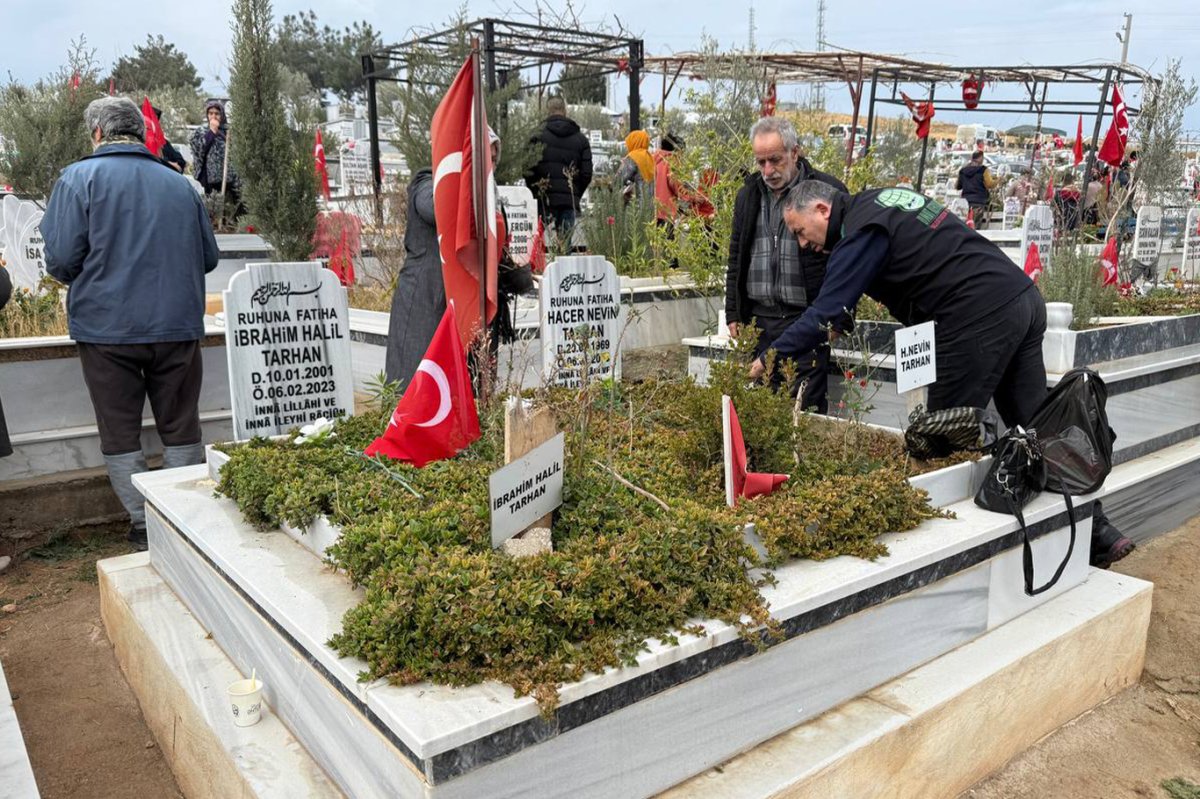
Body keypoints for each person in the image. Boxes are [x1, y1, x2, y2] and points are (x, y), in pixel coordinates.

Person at [766, 179, 1132, 567]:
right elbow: (849, 303)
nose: (803, 243)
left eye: (799, 231)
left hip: (977, 316)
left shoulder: (860, 229)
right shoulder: (880, 201)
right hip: (1020, 299)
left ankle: (947, 560)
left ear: (822, 210)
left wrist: (768, 357)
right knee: (1037, 429)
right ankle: (1099, 534)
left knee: (942, 441)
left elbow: (826, 310)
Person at [41, 97, 219, 551]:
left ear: (97, 133)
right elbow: (209, 257)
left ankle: (143, 525)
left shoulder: (78, 179)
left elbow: (60, 260)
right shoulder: (181, 187)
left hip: (107, 330)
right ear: (140, 134)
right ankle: (180, 517)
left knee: (119, 431)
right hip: (177, 326)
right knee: (181, 425)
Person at [725, 116, 847, 413]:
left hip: (805, 320)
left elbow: (845, 258)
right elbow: (737, 254)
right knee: (761, 410)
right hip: (759, 321)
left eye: (775, 160)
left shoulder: (826, 190)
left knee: (805, 411)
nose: (768, 170)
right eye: (761, 162)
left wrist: (841, 317)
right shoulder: (749, 194)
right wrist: (733, 311)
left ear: (795, 152)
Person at [524, 96, 593, 236]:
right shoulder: (581, 139)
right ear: (565, 110)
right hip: (569, 200)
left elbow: (527, 168)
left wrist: (536, 191)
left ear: (547, 111)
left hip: (544, 200)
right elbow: (587, 173)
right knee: (564, 247)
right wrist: (575, 193)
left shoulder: (536, 136)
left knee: (535, 243)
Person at [189, 99, 242, 214]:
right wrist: (212, 131)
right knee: (214, 208)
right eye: (210, 113)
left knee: (235, 208)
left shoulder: (229, 131)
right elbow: (199, 150)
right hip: (211, 180)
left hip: (232, 178)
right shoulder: (200, 132)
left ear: (222, 115)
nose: (213, 116)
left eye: (217, 113)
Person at [955, 151, 996, 229]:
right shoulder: (983, 170)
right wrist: (998, 180)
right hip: (979, 201)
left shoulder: (963, 170)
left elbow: (958, 186)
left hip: (965, 202)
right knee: (975, 227)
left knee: (964, 226)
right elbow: (990, 184)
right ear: (980, 158)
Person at [617, 129, 654, 201]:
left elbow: (619, 179)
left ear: (633, 142)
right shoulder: (649, 157)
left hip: (638, 205)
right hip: (652, 204)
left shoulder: (633, 157)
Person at [151, 105, 188, 174]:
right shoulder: (138, 142)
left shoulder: (163, 143)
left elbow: (180, 161)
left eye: (155, 121)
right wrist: (167, 163)